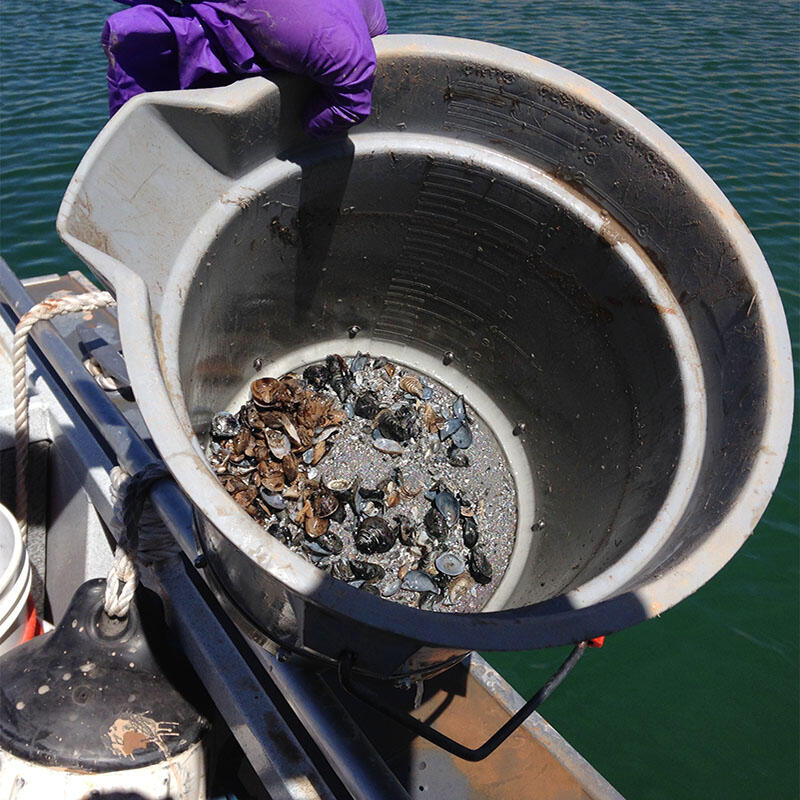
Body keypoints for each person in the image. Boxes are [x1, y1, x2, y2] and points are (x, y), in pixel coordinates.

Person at [102, 0, 388, 138]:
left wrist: (297, 134)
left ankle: (147, 139)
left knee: (134, 34)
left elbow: (353, 106)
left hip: (332, 52)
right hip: (321, 37)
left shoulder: (337, 50)